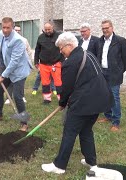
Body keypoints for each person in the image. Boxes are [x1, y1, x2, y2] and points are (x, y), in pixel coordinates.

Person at [41, 32, 114, 174]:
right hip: (99, 101)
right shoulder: (89, 54)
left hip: (84, 103)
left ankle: (59, 166)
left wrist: (62, 103)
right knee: (86, 130)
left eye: (61, 48)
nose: (61, 52)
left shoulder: (70, 62)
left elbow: (66, 89)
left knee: (70, 131)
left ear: (69, 45)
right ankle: (91, 161)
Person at [0, 17, 32, 131]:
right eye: (3, 27)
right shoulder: (2, 33)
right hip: (8, 69)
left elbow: (14, 62)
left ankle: (24, 123)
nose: (5, 30)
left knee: (17, 97)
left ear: (13, 27)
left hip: (19, 71)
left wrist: (3, 75)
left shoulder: (18, 40)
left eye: (8, 28)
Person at [96, 20, 126, 132]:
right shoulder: (100, 41)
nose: (105, 30)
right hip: (103, 72)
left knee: (114, 97)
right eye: (103, 28)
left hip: (114, 74)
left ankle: (116, 122)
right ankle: (108, 116)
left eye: (107, 28)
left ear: (112, 27)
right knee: (105, 95)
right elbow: (99, 56)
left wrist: (119, 70)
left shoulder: (120, 41)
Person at [34, 22, 62, 104]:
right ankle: (47, 99)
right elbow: (37, 50)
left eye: (49, 29)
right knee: (45, 82)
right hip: (43, 64)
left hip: (56, 63)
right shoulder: (40, 37)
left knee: (58, 82)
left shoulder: (59, 36)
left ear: (52, 27)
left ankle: (61, 98)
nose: (47, 31)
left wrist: (62, 61)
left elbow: (63, 48)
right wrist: (36, 61)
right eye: (46, 30)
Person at [4, 25, 32, 105]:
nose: (17, 31)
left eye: (19, 30)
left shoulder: (24, 40)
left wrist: (28, 62)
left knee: (20, 82)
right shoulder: (8, 40)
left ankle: (21, 96)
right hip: (11, 64)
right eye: (16, 30)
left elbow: (29, 51)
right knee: (10, 81)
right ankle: (9, 98)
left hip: (21, 66)